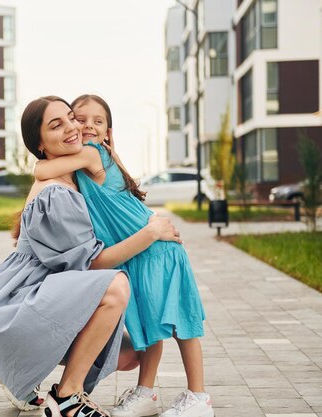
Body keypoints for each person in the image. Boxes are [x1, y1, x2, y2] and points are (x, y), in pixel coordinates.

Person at [0, 96, 182, 417]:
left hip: (42, 299)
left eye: (71, 118)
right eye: (56, 125)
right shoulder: (55, 192)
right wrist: (151, 234)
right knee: (114, 286)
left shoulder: (77, 179)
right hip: (17, 308)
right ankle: (68, 396)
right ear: (40, 144)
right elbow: (93, 264)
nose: (73, 127)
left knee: (130, 354)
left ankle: (12, 365)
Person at [34, 94, 213, 417]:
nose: (86, 125)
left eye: (97, 121)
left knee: (180, 324)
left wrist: (39, 158)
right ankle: (146, 393)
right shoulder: (98, 159)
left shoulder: (91, 154)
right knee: (147, 325)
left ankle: (199, 397)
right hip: (140, 253)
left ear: (107, 132)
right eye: (80, 118)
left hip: (158, 251)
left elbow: (42, 170)